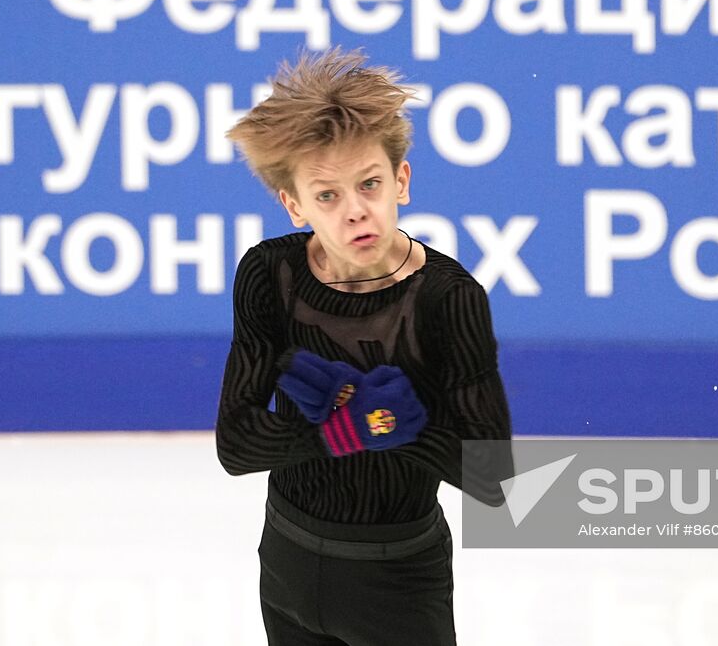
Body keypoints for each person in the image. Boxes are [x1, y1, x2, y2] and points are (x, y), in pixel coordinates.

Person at [216, 47, 514, 645]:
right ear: (294, 204)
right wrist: (341, 431)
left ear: (401, 180)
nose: (356, 212)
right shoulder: (268, 276)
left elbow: (492, 475)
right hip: (287, 564)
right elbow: (237, 445)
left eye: (370, 184)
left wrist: (404, 426)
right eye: (327, 196)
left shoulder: (447, 298)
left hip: (398, 580)